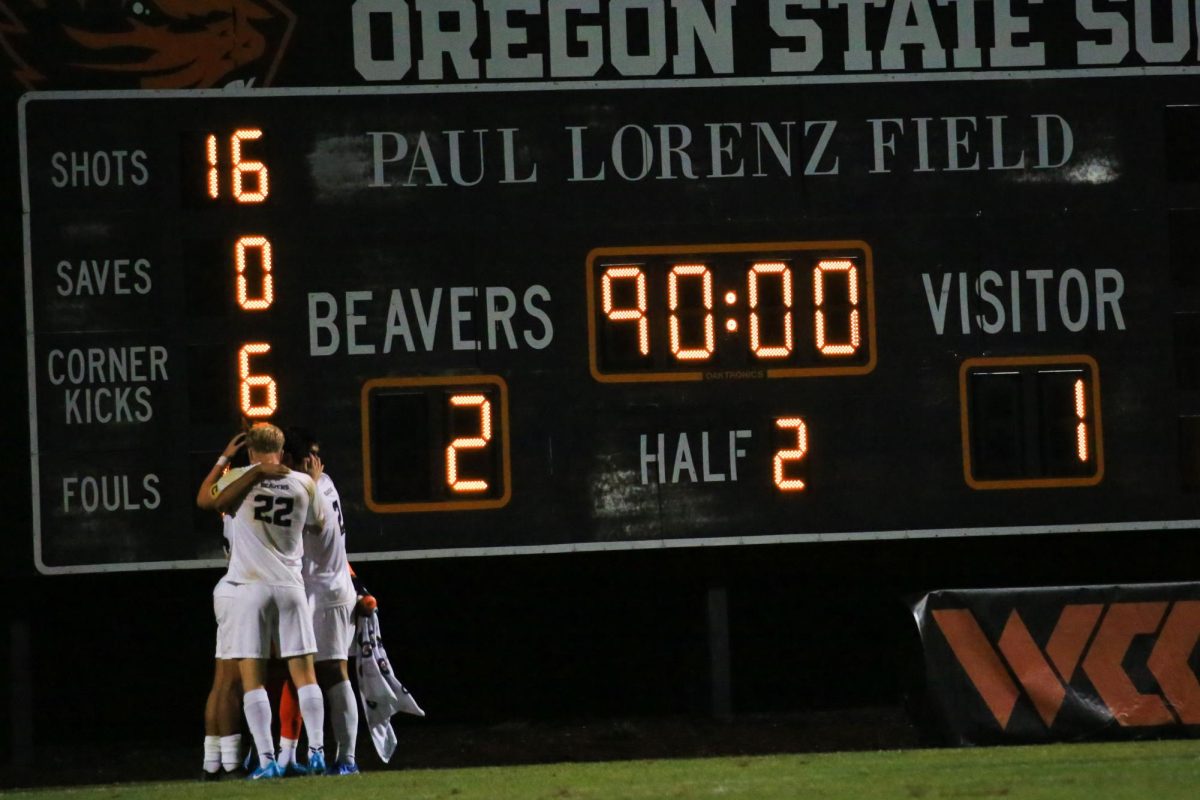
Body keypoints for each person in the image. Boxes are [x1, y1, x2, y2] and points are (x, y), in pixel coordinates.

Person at [211, 422, 328, 779]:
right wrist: (310, 481)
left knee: (253, 678)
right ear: (282, 450)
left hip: (251, 587)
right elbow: (319, 525)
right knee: (305, 674)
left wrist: (225, 462)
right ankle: (318, 752)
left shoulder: (243, 478)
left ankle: (266, 761)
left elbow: (207, 500)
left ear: (250, 451)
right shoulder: (303, 482)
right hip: (291, 587)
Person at [284, 428, 362, 775]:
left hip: (324, 592)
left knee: (332, 671)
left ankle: (345, 759)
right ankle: (298, 754)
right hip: (328, 587)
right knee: (306, 673)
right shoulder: (321, 481)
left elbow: (315, 524)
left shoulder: (313, 487)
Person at [194, 431, 248, 780]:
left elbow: (205, 496)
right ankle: (229, 764)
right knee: (232, 684)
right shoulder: (250, 486)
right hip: (240, 588)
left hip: (227, 587)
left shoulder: (231, 488)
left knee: (221, 683)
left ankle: (212, 762)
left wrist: (222, 458)